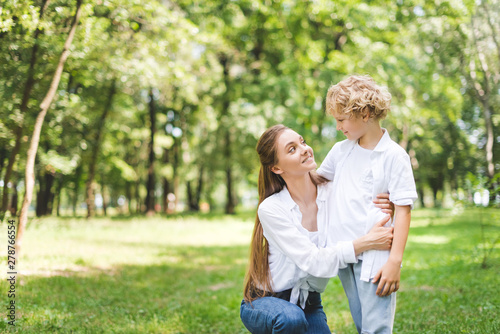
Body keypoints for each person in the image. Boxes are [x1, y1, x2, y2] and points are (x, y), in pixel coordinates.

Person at [240, 124, 395, 334]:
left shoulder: (331, 192)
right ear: (276, 168)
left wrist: (388, 203)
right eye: (292, 149)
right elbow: (314, 261)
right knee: (290, 320)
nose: (304, 148)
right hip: (265, 301)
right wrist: (366, 242)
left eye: (302, 141)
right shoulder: (272, 209)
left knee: (297, 318)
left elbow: (361, 205)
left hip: (309, 303)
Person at [317, 75, 418, 333]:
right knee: (362, 322)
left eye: (341, 119)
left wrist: (395, 261)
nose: (338, 127)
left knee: (376, 327)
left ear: (364, 114)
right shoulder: (341, 150)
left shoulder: (394, 156)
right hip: (346, 252)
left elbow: (404, 211)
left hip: (375, 257)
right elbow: (316, 180)